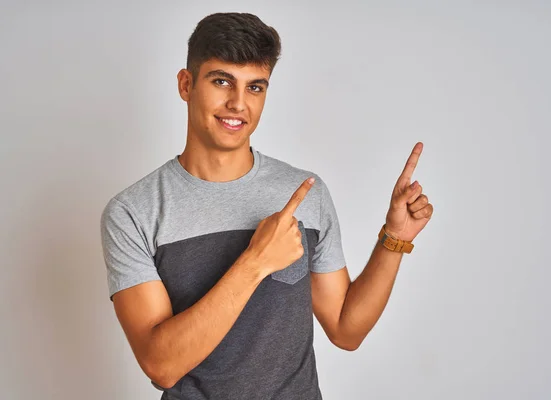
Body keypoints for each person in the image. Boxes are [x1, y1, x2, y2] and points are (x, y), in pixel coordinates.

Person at [100, 12, 434, 400]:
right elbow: (162, 365)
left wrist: (394, 239)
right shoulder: (132, 212)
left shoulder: (306, 192)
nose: (238, 103)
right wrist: (255, 262)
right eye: (222, 81)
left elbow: (346, 330)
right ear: (186, 84)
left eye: (255, 87)